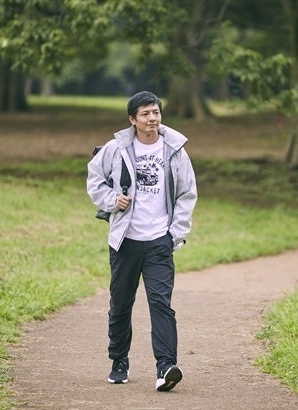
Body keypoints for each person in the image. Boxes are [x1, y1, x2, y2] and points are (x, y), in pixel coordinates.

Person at [87, 91, 198, 392]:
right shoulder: (116, 149)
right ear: (132, 119)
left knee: (161, 303)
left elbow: (187, 193)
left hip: (159, 241)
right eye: (145, 114)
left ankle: (166, 367)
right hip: (125, 240)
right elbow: (94, 178)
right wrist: (112, 199)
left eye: (156, 112)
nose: (152, 118)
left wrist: (175, 234)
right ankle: (119, 360)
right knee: (121, 303)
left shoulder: (175, 149)